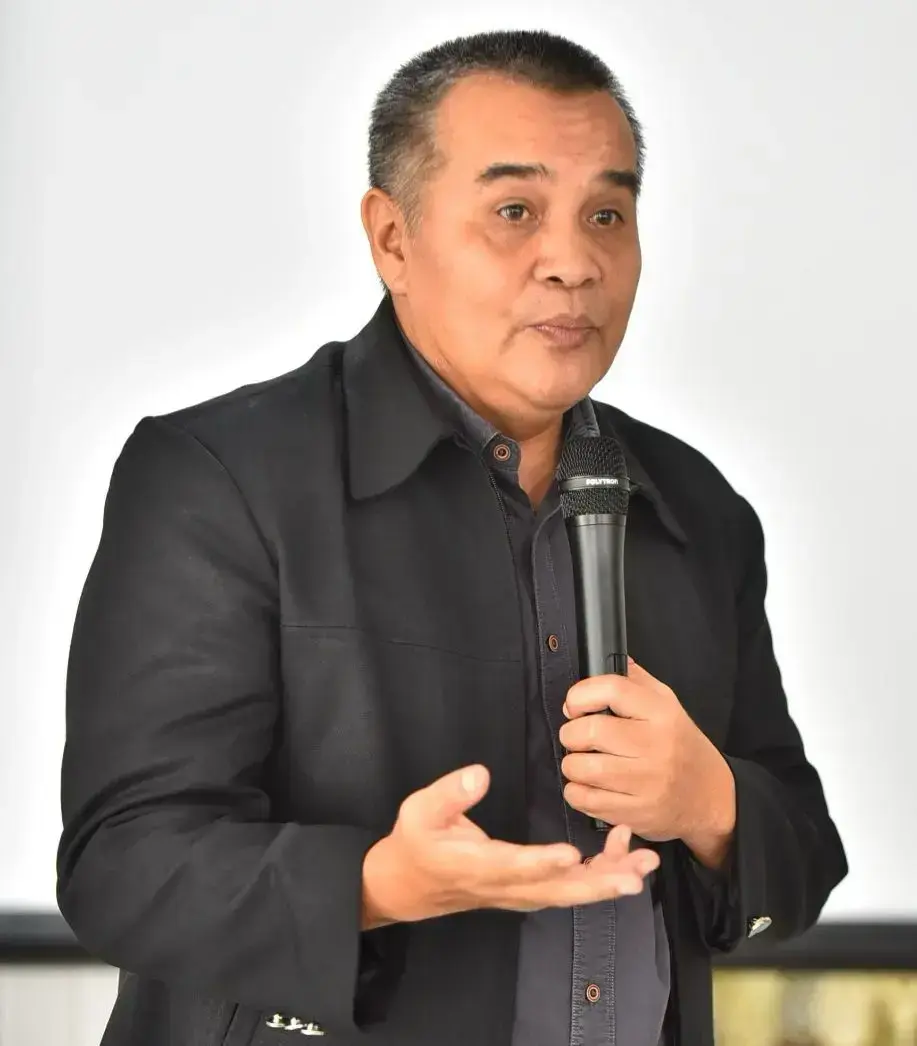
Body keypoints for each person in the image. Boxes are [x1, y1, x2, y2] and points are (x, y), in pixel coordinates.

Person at [56, 28, 848, 1046]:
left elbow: (803, 855)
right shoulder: (220, 476)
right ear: (392, 238)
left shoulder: (696, 505)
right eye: (514, 212)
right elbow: (123, 862)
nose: (573, 262)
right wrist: (373, 884)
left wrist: (713, 805)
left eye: (606, 214)